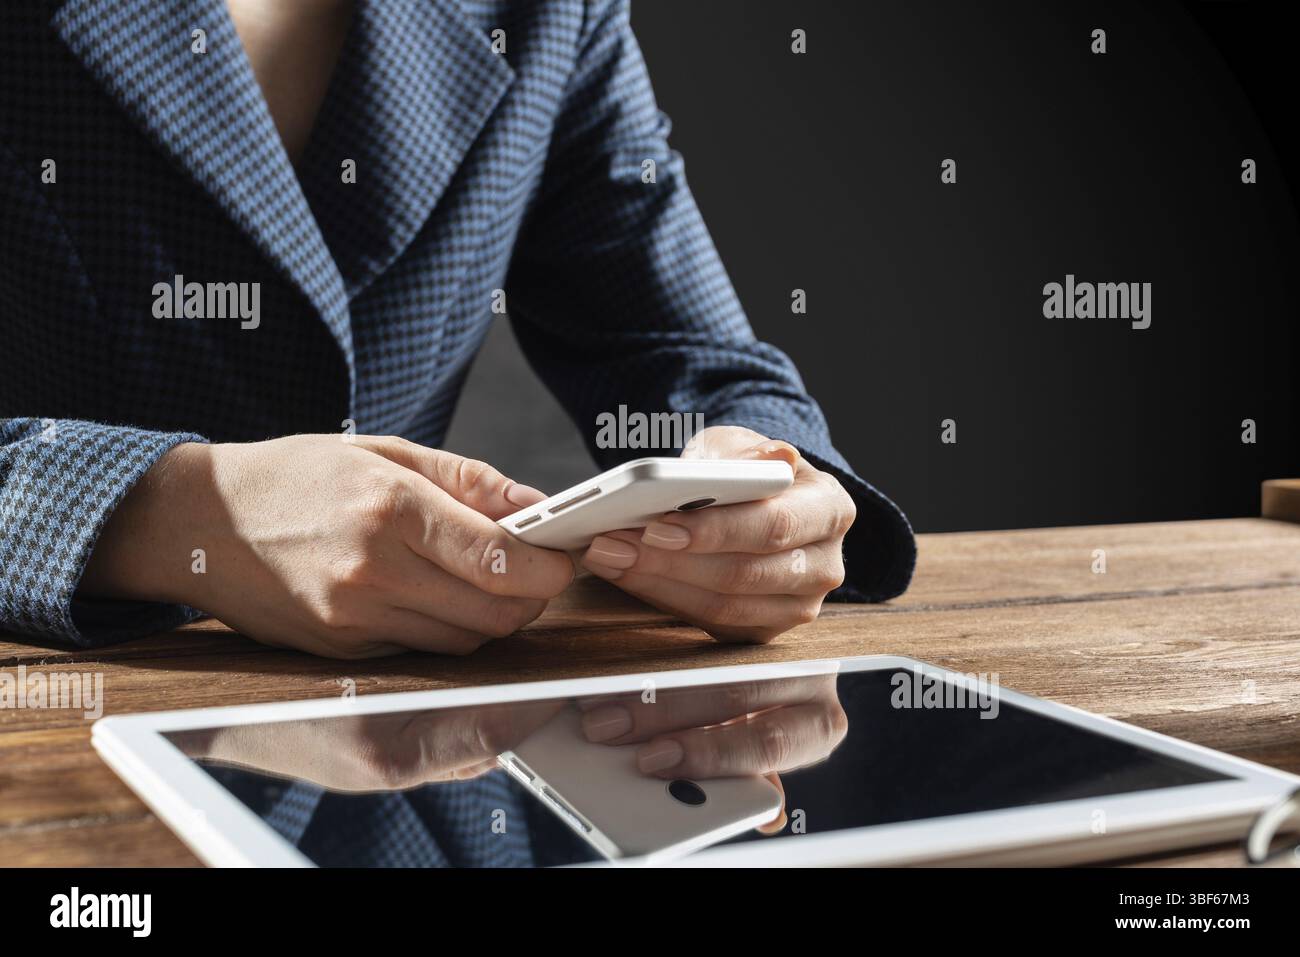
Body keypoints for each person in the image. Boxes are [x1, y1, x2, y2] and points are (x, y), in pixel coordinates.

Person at [0, 0, 914, 657]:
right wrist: (176, 518)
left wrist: (768, 489)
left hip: (412, 756)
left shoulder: (549, 12)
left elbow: (689, 360)